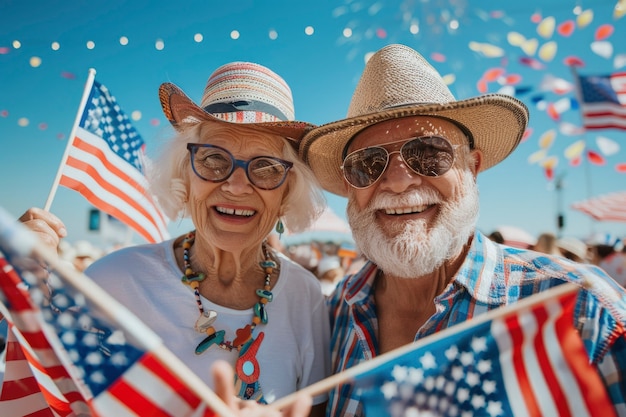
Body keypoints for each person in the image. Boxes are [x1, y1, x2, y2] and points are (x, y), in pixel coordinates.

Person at [297, 44, 626, 416]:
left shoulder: (580, 309)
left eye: (428, 153)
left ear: (472, 166)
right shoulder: (336, 309)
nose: (399, 181)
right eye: (368, 164)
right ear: (350, 187)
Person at [17, 61, 331, 415]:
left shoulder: (307, 296)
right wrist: (17, 276)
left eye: (265, 168)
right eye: (213, 159)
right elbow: (53, 392)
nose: (236, 185)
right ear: (185, 175)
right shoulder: (111, 281)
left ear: (288, 192)